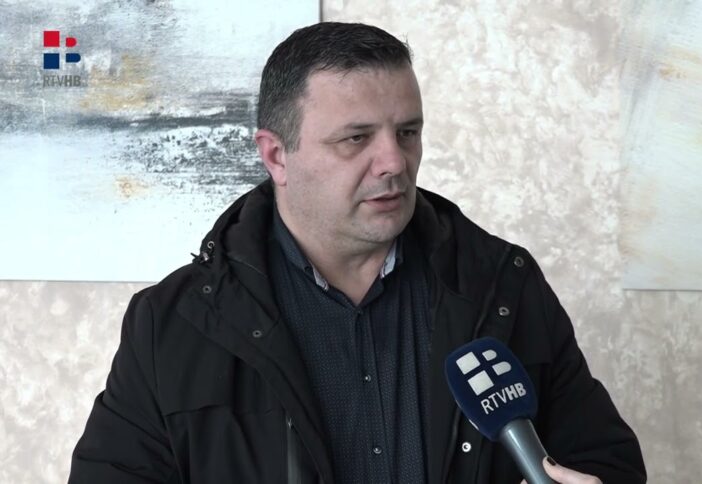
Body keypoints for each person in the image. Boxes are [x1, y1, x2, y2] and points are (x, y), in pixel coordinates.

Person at [69, 22, 646, 484]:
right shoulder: (172, 324)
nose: (394, 162)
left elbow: (606, 461)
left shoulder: (504, 287)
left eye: (408, 132)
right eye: (356, 138)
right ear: (276, 156)